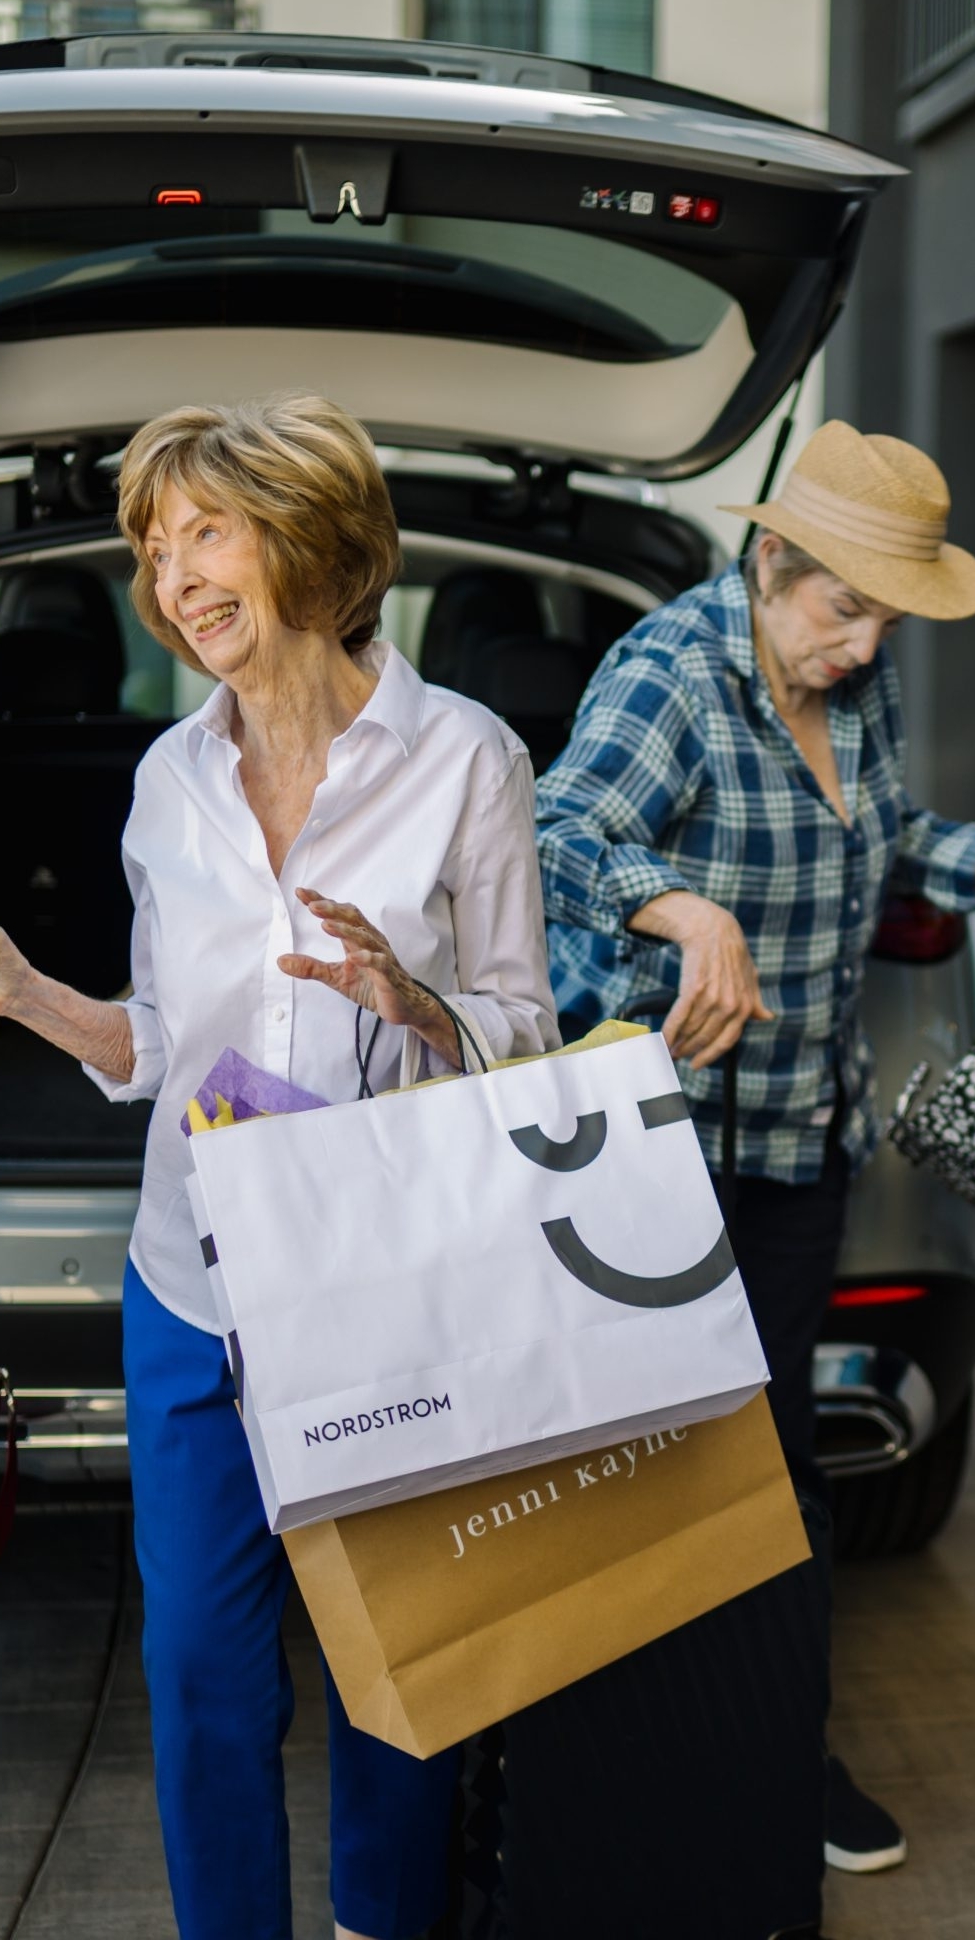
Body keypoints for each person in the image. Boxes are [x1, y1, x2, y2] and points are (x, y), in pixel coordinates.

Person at [0, 392, 559, 1940]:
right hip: (194, 1289)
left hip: (390, 1287)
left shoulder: (466, 759)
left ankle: (384, 1920)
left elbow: (528, 1032)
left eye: (204, 532)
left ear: (310, 541)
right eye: (153, 548)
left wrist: (417, 1002)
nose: (173, 577)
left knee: (397, 1664)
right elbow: (166, 1036)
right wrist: (36, 1000)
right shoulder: (166, 783)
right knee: (200, 1675)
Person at [534, 417, 975, 1873]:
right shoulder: (672, 669)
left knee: (774, 1471)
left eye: (888, 614)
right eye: (845, 605)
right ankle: (632, 1779)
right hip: (658, 1156)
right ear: (772, 560)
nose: (864, 640)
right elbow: (556, 833)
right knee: (650, 1479)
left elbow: (889, 834)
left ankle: (775, 1752)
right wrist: (685, 909)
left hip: (800, 1141)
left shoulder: (859, 679)